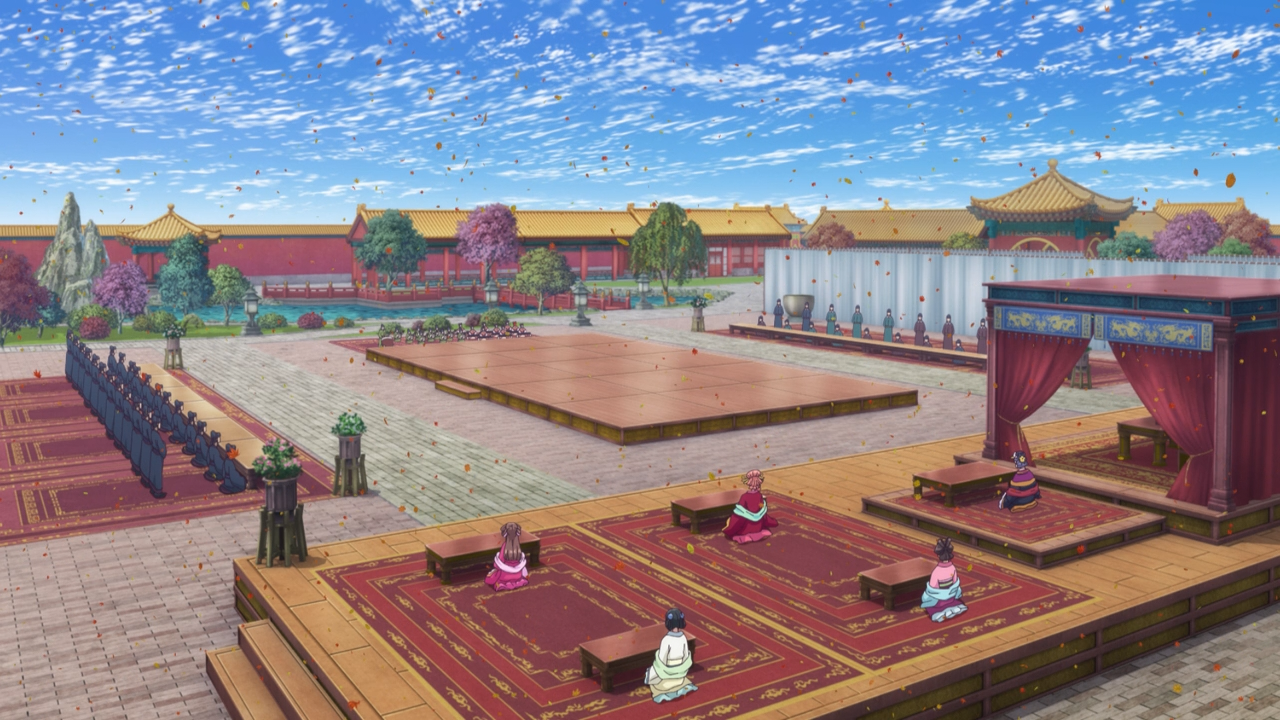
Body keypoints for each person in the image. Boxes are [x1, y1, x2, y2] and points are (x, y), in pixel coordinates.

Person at [644, 608, 698, 702]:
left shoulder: (666, 640)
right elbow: (686, 657)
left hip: (666, 676)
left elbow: (661, 660)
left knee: (651, 672)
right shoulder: (683, 638)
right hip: (680, 676)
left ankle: (666, 689)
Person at [722, 469, 778, 543]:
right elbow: (763, 514)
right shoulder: (759, 496)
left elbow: (739, 515)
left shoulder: (744, 497)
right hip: (758, 527)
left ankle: (746, 535)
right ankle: (756, 533)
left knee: (735, 519)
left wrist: (729, 528)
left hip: (745, 529)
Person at [921, 538, 967, 622]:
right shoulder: (952, 568)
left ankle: (941, 612)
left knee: (927, 599)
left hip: (939, 601)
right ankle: (953, 607)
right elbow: (955, 584)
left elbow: (932, 590)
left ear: (939, 555)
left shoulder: (936, 571)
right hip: (951, 597)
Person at [484, 522, 530, 591]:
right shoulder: (518, 547)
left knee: (491, 576)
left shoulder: (504, 546)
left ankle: (503, 583)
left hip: (504, 576)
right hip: (518, 575)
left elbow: (498, 564)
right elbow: (521, 561)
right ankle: (516, 581)